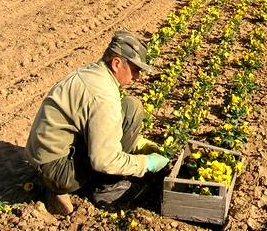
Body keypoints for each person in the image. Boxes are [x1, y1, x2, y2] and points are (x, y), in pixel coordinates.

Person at [25, 31, 169, 215]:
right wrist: (145, 163)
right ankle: (106, 188)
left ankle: (59, 184)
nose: (138, 77)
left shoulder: (93, 73)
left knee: (130, 107)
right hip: (57, 171)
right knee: (116, 144)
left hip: (44, 156)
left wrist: (137, 142)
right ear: (117, 63)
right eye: (135, 69)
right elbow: (104, 160)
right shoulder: (103, 96)